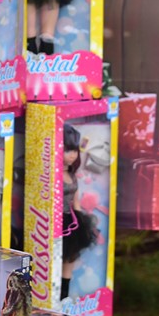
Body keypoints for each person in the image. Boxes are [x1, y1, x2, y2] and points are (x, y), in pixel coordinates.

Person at [61, 124, 97, 300]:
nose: (72, 155)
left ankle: (64, 296)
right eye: (68, 150)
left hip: (71, 221)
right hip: (57, 221)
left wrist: (81, 221)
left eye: (74, 150)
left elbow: (76, 200)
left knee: (70, 259)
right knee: (57, 258)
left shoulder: (71, 175)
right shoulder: (52, 175)